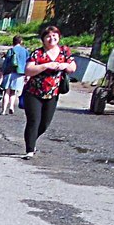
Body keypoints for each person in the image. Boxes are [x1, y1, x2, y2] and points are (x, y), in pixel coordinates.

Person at [20, 25, 76, 159]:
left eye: (54, 36)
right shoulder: (37, 53)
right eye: (48, 36)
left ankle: (31, 140)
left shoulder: (64, 52)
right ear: (43, 39)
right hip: (33, 92)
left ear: (58, 37)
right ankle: (30, 150)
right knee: (33, 121)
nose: (51, 39)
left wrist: (65, 66)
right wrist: (46, 65)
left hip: (53, 93)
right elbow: (28, 70)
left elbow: (73, 67)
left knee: (44, 124)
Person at [0, 35, 29, 115]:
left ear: (13, 41)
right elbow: (27, 63)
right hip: (19, 73)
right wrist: (27, 75)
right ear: (21, 42)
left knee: (6, 92)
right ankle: (11, 106)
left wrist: (1, 74)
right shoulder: (25, 51)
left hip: (9, 73)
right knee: (13, 92)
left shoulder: (11, 50)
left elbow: (6, 63)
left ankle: (3, 110)